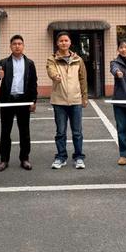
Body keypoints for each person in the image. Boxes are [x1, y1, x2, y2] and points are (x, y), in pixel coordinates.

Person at [0, 34, 38, 172]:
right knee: (5, 132)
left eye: (19, 44)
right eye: (14, 44)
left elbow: (33, 83)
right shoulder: (4, 62)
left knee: (24, 132)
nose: (17, 46)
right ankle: (4, 160)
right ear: (10, 46)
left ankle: (24, 159)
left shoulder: (29, 63)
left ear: (23, 46)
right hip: (8, 101)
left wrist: (33, 101)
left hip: (23, 101)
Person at [46, 31, 88, 170]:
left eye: (66, 40)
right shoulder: (52, 59)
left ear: (70, 43)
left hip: (75, 100)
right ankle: (61, 157)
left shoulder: (78, 60)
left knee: (77, 132)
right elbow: (51, 70)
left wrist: (84, 97)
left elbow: (83, 79)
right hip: (59, 101)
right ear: (57, 43)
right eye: (61, 41)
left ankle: (79, 157)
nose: (63, 43)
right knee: (60, 132)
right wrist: (55, 76)